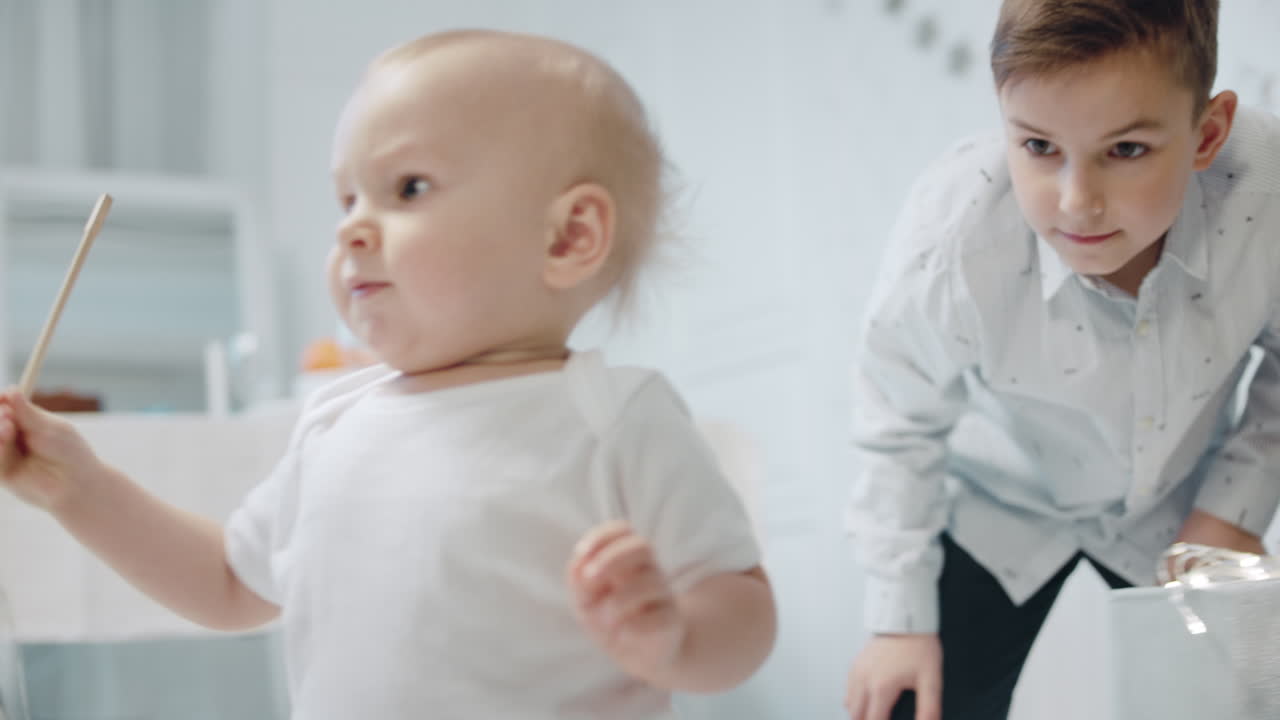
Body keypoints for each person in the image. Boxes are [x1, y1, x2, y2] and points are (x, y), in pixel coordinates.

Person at [0, 29, 775, 719]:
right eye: (347, 197)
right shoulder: (337, 422)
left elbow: (743, 607)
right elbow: (230, 584)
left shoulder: (615, 416)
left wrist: (674, 637)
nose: (351, 227)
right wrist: (79, 487)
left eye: (408, 188)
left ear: (569, 236)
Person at [842, 2, 1280, 718]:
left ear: (1208, 133)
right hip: (1002, 502)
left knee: (1241, 701)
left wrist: (1231, 510)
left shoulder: (1268, 193)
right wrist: (898, 621)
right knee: (911, 701)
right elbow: (895, 419)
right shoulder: (950, 240)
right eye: (1039, 147)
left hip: (1179, 506)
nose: (1077, 204)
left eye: (1127, 150)